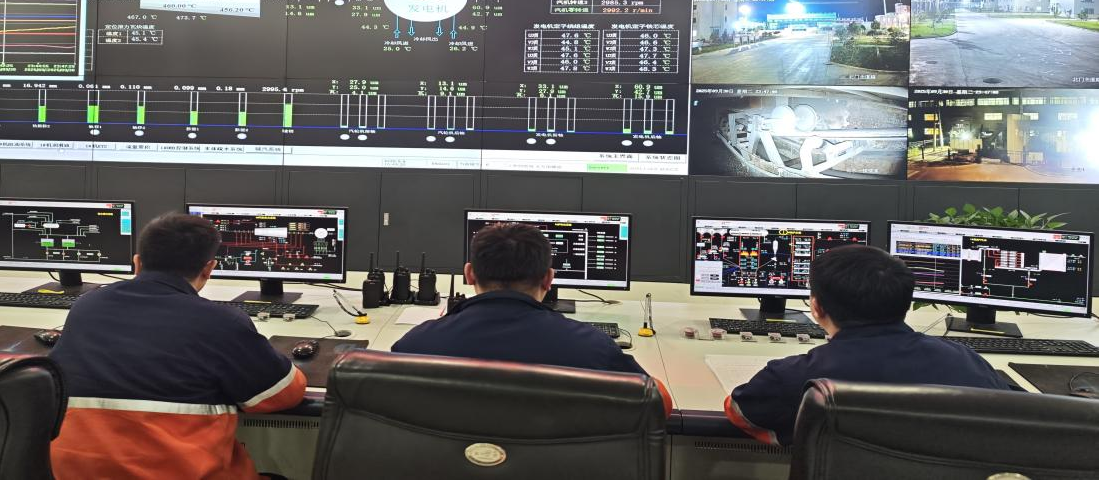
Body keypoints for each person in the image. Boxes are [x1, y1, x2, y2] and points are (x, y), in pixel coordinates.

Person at [49, 213, 306, 479]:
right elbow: (281, 395)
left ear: (137, 263)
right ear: (208, 268)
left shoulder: (86, 306)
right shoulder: (220, 321)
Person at [724, 244, 1009, 446]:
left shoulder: (797, 377)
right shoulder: (966, 362)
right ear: (905, 304)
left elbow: (742, 413)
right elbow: (1019, 416)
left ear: (816, 307)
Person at [392, 222, 672, 414]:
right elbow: (660, 403)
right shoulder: (592, 348)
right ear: (548, 279)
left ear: (469, 274)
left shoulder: (415, 346)